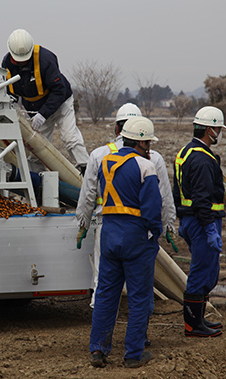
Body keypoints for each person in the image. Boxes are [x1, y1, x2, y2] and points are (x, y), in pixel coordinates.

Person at [76, 103, 176, 309]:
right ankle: (140, 329)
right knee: (141, 282)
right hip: (140, 229)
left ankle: (101, 327)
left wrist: (83, 223)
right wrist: (168, 226)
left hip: (108, 226)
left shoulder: (99, 154)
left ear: (116, 129)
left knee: (102, 281)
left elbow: (87, 194)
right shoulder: (152, 158)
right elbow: (164, 196)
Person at [88, 116, 162, 369]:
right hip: (136, 239)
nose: (150, 148)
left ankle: (98, 349)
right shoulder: (145, 167)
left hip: (108, 236)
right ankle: (133, 354)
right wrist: (156, 233)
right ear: (142, 142)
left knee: (106, 294)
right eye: (148, 144)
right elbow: (153, 210)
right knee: (139, 297)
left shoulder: (105, 161)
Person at [1, 29, 89, 173]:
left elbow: (59, 90)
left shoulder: (45, 59)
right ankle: (37, 185)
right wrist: (15, 108)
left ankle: (87, 169)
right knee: (37, 147)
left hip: (60, 103)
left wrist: (43, 114)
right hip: (35, 108)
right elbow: (11, 91)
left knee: (70, 138)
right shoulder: (7, 64)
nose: (22, 62)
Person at [173, 106, 226, 338]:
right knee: (201, 272)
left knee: (206, 271)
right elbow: (202, 200)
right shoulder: (203, 160)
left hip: (189, 219)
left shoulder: (185, 152)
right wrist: (210, 229)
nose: (219, 132)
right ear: (209, 130)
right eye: (218, 128)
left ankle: (199, 319)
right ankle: (193, 326)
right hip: (203, 222)